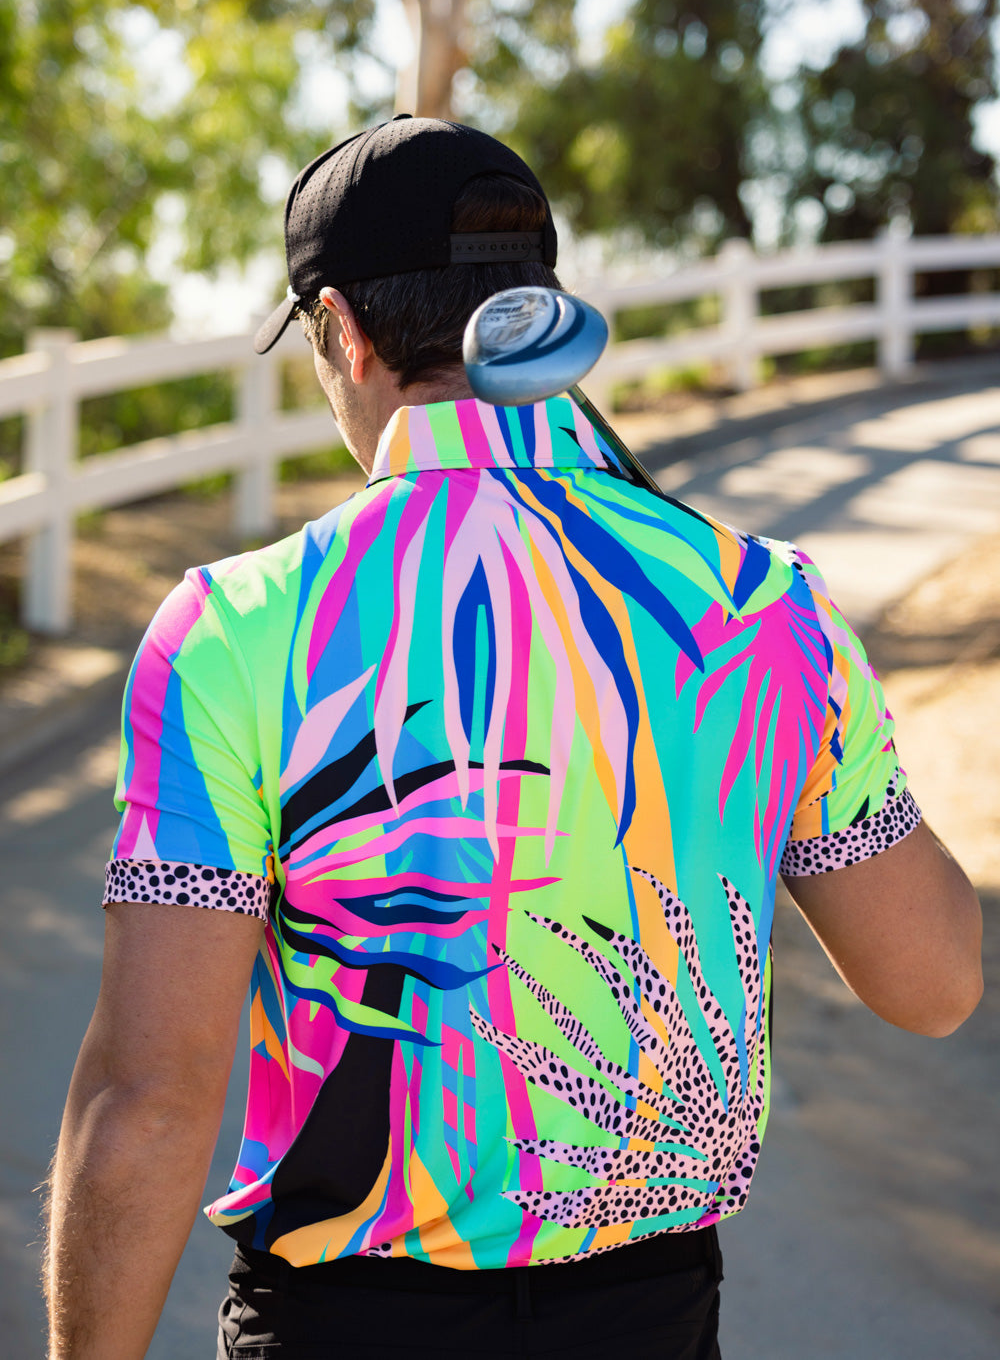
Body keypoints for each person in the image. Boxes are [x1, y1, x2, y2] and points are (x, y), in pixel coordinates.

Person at [45, 115, 983, 1360]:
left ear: (345, 333)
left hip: (343, 1328)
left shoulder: (239, 630)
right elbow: (933, 983)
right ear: (535, 315)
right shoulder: (764, 603)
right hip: (651, 1321)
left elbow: (149, 1101)